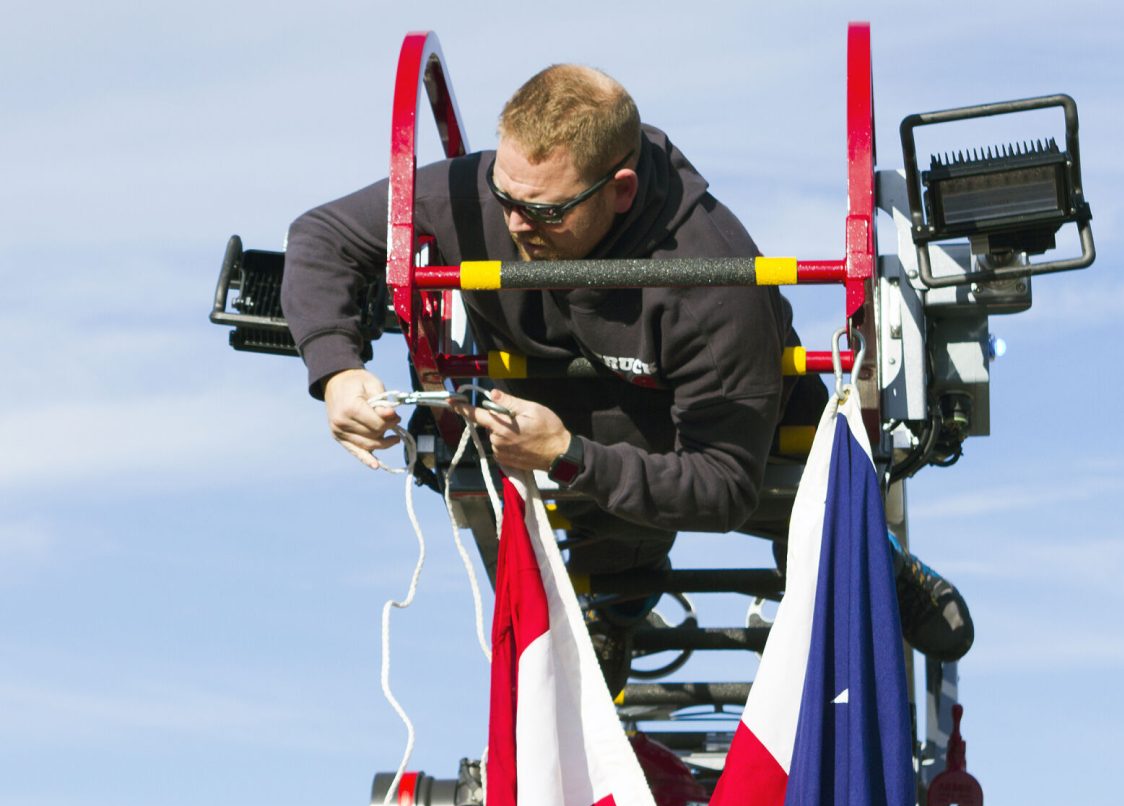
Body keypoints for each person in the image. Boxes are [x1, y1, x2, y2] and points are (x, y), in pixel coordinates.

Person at [280, 65, 972, 685]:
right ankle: (619, 601)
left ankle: (864, 554)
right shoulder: (489, 195)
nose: (514, 224)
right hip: (579, 438)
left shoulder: (714, 282)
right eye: (504, 195)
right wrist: (336, 367)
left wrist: (567, 454)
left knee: (812, 514)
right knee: (608, 539)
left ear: (620, 190)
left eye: (543, 211)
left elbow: (724, 486)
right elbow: (322, 235)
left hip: (738, 442)